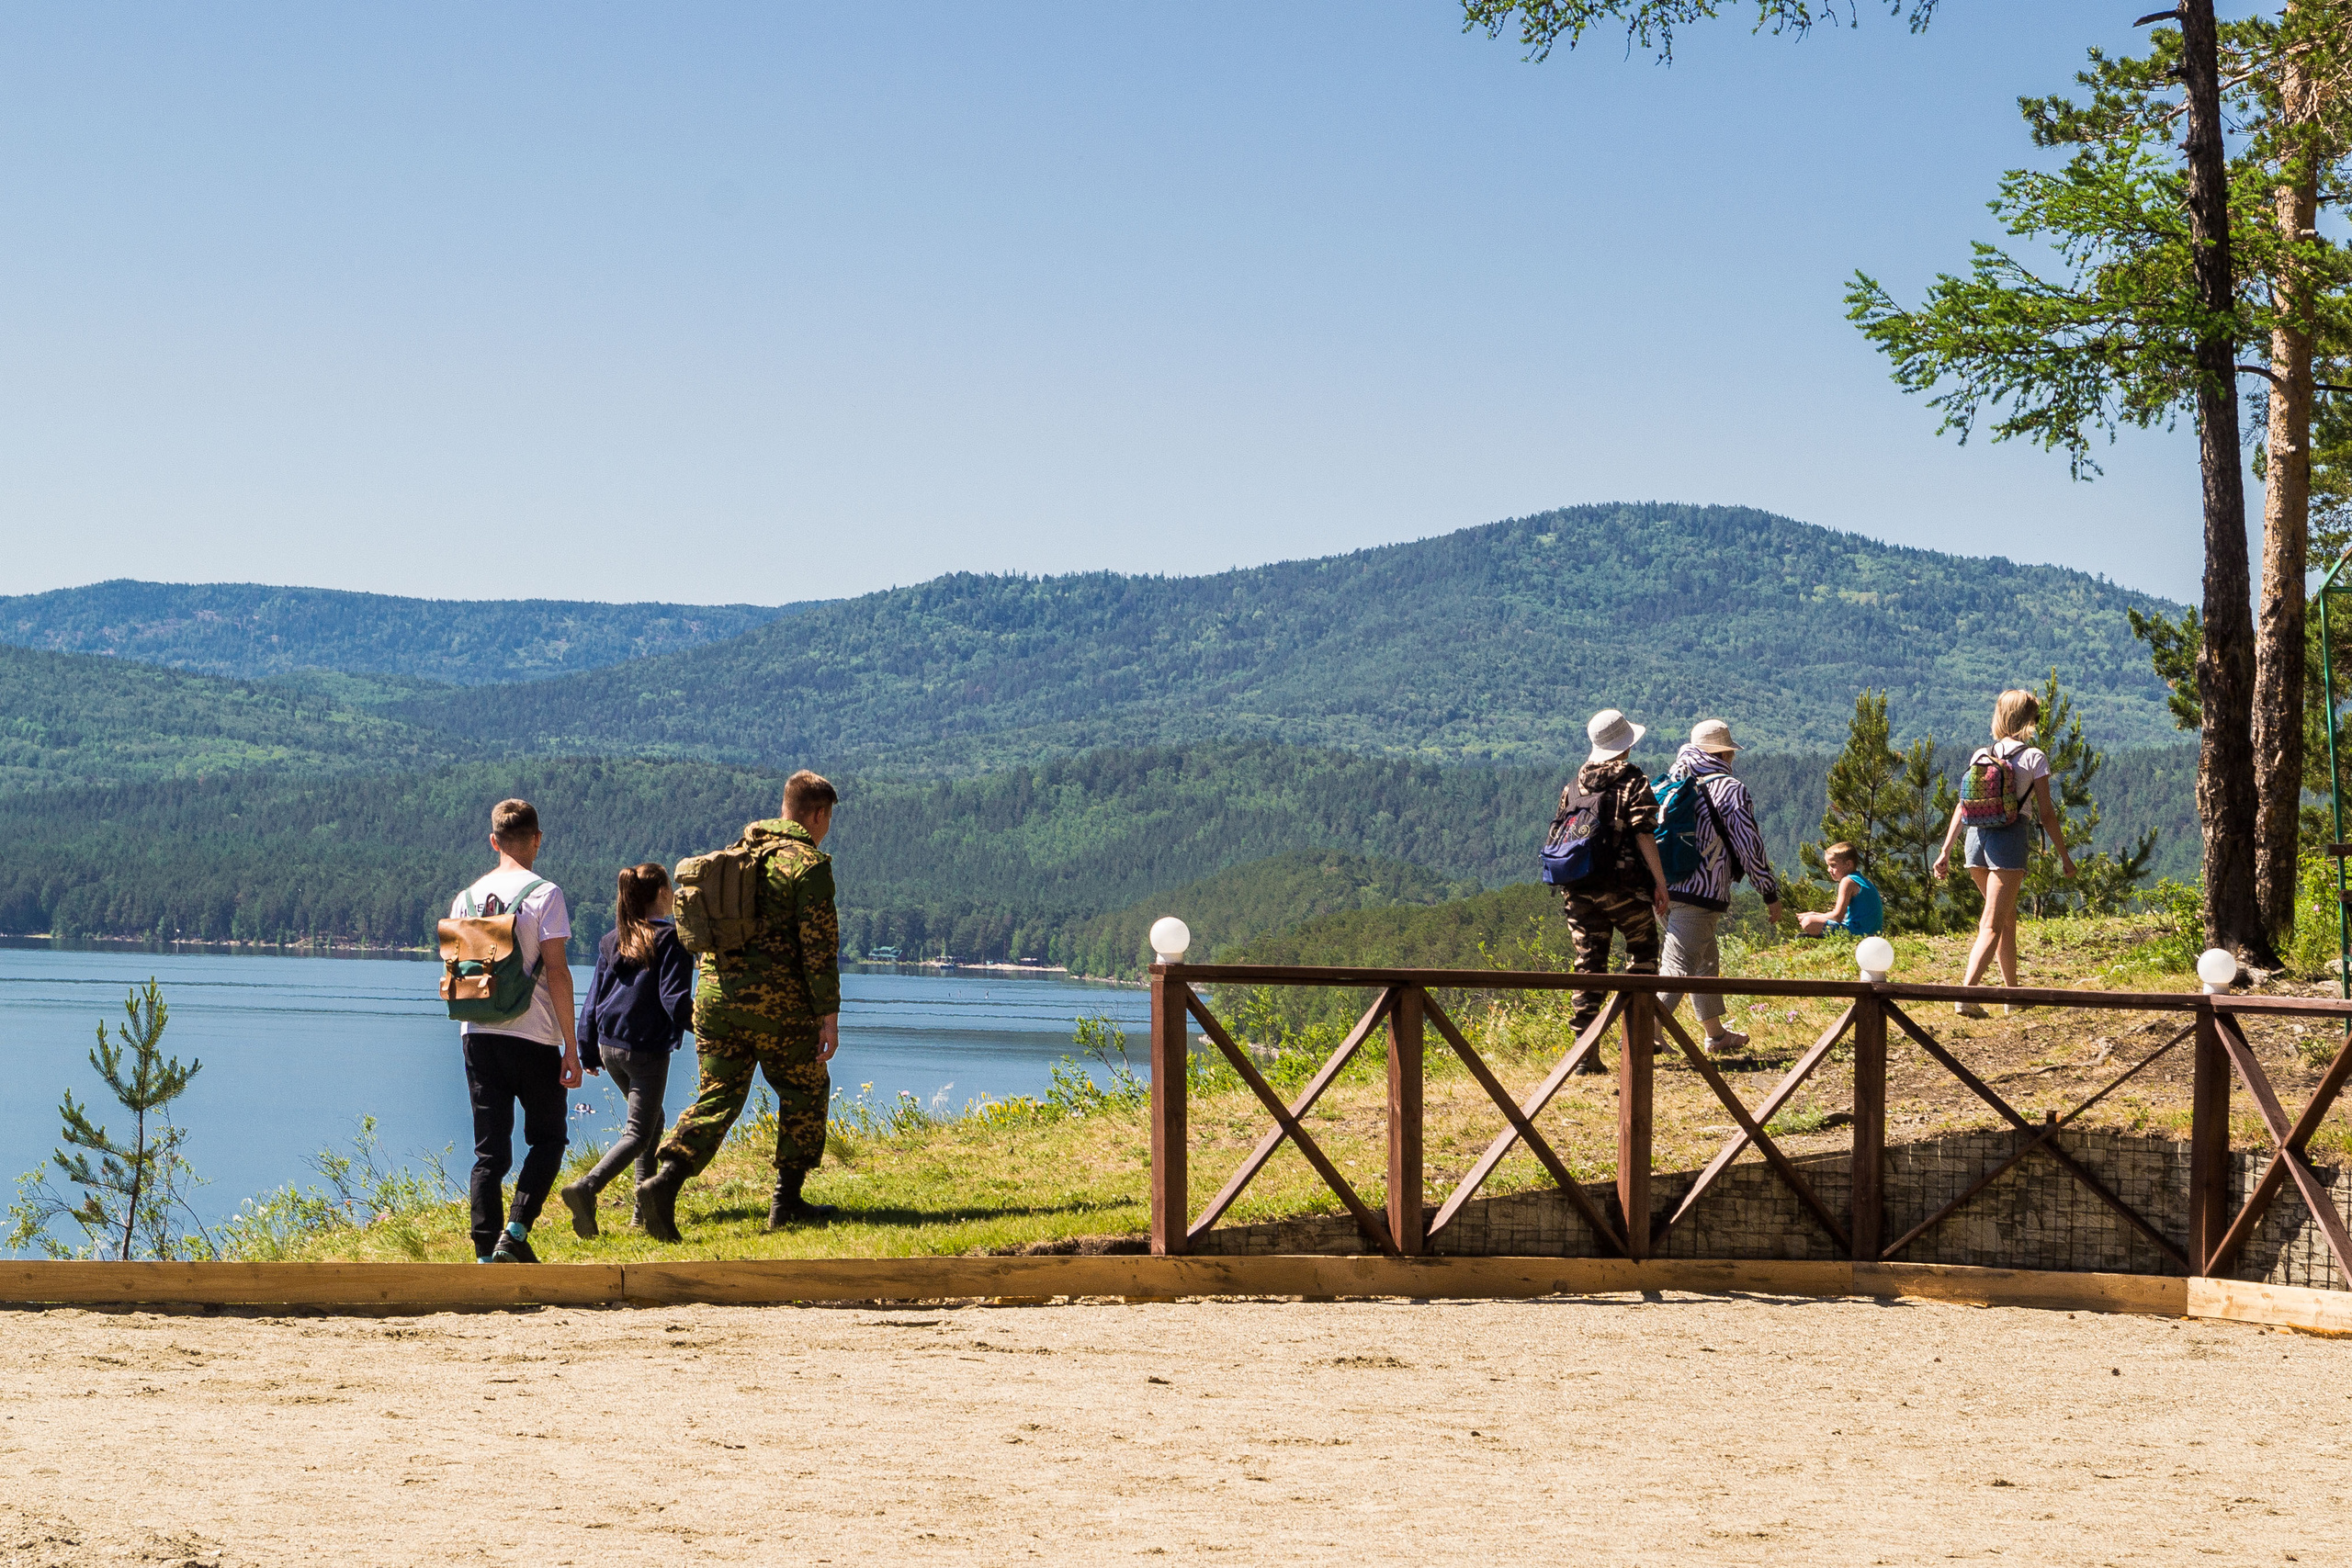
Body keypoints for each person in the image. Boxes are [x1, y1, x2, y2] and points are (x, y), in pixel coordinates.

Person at [637, 770, 843, 1242]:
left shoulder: (734, 851)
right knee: (805, 1088)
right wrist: (827, 1017)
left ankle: (663, 1183)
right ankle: (786, 1202)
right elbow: (819, 949)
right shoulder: (808, 865)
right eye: (827, 818)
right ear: (818, 814)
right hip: (777, 1005)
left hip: (713, 1001)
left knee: (720, 1095)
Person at [451, 798, 581, 1264]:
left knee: (489, 1152)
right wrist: (571, 1047)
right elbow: (558, 972)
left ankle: (485, 1252)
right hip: (534, 1035)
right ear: (536, 840)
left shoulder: (465, 898)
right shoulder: (545, 894)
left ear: (493, 841)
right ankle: (516, 1234)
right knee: (548, 1139)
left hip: (477, 1034)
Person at [559, 863, 695, 1238]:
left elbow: (592, 1000)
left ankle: (640, 1213)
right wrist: (707, 1027)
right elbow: (674, 1000)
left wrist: (586, 1049)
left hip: (608, 1047)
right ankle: (587, 1188)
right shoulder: (671, 940)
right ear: (662, 893)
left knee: (652, 1122)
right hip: (645, 1050)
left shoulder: (613, 939)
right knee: (638, 1131)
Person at [1932, 687, 2075, 1016]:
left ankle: (2012, 995)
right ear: (2029, 720)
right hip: (2008, 843)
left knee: (2006, 917)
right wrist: (2065, 857)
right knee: (1992, 923)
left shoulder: (1981, 755)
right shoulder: (2033, 758)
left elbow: (1963, 805)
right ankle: (1966, 996)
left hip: (1976, 843)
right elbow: (2047, 814)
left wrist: (1945, 851)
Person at [1654, 719, 1784, 1055]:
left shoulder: (1672, 781)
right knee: (1678, 968)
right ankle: (1645, 1033)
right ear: (1725, 753)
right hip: (1699, 894)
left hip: (1661, 890)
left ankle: (1716, 1035)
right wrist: (1768, 891)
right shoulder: (1729, 788)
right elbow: (1748, 844)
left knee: (1704, 960)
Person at [1558, 709, 1673, 1063]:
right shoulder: (1633, 780)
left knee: (1589, 964)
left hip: (1578, 886)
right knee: (1642, 953)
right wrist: (1660, 882)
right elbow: (1644, 833)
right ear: (1625, 745)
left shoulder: (1574, 784)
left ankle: (1584, 1052)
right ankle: (1637, 1041)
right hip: (1624, 886)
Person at [1797, 842, 1884, 939]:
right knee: (1811, 919)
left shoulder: (1847, 882)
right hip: (1872, 933)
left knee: (1808, 922)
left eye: (1833, 865)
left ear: (1848, 864)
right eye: (1828, 865)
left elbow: (1838, 916)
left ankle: (1822, 938)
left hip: (1859, 933)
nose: (1829, 870)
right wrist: (1816, 914)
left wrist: (1815, 916)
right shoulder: (1860, 880)